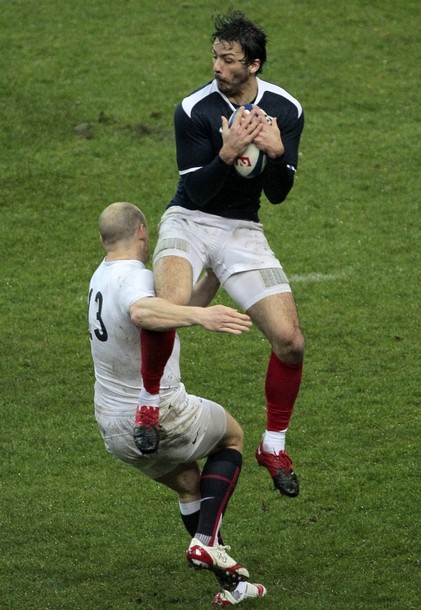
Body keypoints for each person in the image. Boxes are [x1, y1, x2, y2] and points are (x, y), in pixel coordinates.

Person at [151, 10, 305, 498]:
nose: (217, 66)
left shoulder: (285, 108)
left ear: (253, 65)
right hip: (189, 221)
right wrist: (227, 152)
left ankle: (273, 445)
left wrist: (277, 154)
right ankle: (149, 406)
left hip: (242, 229)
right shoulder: (193, 109)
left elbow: (278, 194)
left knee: (291, 342)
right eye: (215, 56)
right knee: (168, 310)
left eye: (229, 59)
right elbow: (195, 192)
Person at [88, 201, 266, 607]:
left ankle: (233, 585)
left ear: (102, 240)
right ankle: (205, 540)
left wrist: (213, 276)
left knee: (189, 485)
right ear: (143, 231)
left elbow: (171, 311)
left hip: (113, 427)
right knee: (232, 436)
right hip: (158, 414)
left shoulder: (101, 276)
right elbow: (142, 311)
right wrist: (203, 319)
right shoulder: (135, 277)